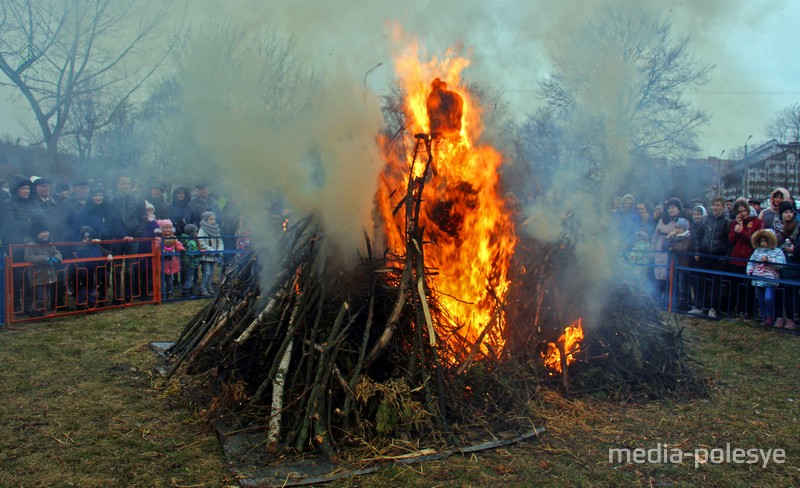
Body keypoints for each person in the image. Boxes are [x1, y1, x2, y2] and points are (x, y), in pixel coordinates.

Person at [689, 197, 730, 318]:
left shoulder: (727, 222)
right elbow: (699, 236)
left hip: (718, 257)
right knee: (700, 283)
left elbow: (728, 241)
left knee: (715, 285)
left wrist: (724, 255)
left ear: (723, 206)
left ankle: (713, 309)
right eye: (713, 205)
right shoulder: (706, 219)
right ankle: (699, 307)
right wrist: (697, 251)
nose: (715, 207)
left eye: (717, 205)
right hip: (704, 255)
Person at [0, 179, 35, 313]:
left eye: (28, 188)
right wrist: (29, 224)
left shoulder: (31, 204)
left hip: (29, 245)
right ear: (16, 190)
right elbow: (10, 224)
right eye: (24, 188)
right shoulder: (7, 204)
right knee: (17, 277)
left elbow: (37, 220)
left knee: (29, 275)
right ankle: (15, 306)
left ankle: (27, 305)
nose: (27, 191)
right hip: (15, 245)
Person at [728, 197, 764, 318]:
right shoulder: (734, 223)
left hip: (749, 260)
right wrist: (737, 227)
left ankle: (749, 311)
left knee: (748, 289)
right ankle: (738, 310)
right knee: (736, 288)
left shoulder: (757, 222)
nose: (742, 214)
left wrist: (742, 231)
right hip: (735, 259)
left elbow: (754, 241)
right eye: (739, 211)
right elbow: (731, 240)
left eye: (744, 211)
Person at [746, 229, 785, 327]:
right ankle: (764, 318)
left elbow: (782, 264)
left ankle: (770, 316)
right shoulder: (756, 251)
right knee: (760, 298)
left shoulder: (778, 251)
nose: (763, 243)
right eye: (761, 241)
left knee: (768, 298)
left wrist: (769, 260)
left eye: (765, 241)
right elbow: (751, 262)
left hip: (770, 279)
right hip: (757, 278)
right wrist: (750, 270)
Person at [23, 220, 62, 317]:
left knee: (47, 296)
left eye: (47, 231)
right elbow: (29, 257)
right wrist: (45, 259)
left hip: (49, 275)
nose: (46, 234)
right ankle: (33, 310)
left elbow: (57, 252)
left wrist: (56, 258)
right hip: (38, 275)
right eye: (42, 232)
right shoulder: (31, 245)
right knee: (42, 297)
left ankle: (41, 311)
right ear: (36, 233)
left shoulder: (49, 243)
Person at [71, 226, 112, 310]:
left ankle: (91, 305)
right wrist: (87, 244)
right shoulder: (79, 246)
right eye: (85, 238)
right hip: (83, 273)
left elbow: (106, 252)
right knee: (83, 290)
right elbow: (79, 252)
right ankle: (80, 305)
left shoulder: (97, 246)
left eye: (89, 237)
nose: (87, 239)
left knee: (92, 290)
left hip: (95, 272)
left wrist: (109, 255)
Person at [651, 197, 682, 304]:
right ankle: (658, 300)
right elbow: (655, 236)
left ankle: (670, 301)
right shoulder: (662, 220)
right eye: (669, 208)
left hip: (672, 251)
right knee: (659, 275)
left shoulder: (681, 221)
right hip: (660, 250)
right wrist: (653, 250)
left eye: (673, 208)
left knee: (670, 276)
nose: (671, 210)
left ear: (678, 209)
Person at [774, 201, 799, 330]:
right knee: (778, 291)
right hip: (778, 262)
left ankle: (790, 319)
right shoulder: (777, 229)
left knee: (790, 292)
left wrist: (793, 250)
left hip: (792, 263)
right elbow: (772, 243)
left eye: (790, 212)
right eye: (785, 212)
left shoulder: (797, 228)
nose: (788, 215)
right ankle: (779, 316)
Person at [663, 218, 693, 311]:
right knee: (673, 283)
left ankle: (683, 304)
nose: (677, 230)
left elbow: (683, 249)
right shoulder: (673, 236)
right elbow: (664, 247)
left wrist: (672, 248)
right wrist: (668, 236)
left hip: (683, 264)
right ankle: (673, 303)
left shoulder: (688, 237)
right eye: (676, 228)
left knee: (682, 285)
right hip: (673, 263)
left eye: (679, 228)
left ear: (684, 229)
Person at [197, 211, 224, 296]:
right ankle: (203, 289)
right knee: (207, 272)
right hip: (206, 255)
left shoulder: (216, 229)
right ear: (206, 220)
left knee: (211, 272)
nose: (213, 221)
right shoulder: (202, 229)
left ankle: (210, 287)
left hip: (214, 255)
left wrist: (219, 250)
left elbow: (220, 241)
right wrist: (211, 250)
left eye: (214, 219)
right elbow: (201, 242)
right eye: (210, 219)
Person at [157, 219, 185, 299]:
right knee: (162, 280)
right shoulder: (159, 238)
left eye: (169, 227)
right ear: (161, 229)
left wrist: (181, 249)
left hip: (171, 261)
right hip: (162, 262)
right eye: (166, 228)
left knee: (169, 279)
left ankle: (170, 292)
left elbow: (178, 244)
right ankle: (162, 293)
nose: (168, 229)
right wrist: (161, 254)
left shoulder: (173, 237)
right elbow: (156, 247)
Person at [179, 223, 200, 296]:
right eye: (196, 232)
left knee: (188, 277)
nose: (197, 233)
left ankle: (189, 290)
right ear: (192, 232)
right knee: (190, 278)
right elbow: (192, 254)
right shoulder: (192, 242)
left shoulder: (185, 240)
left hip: (187, 262)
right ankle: (186, 291)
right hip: (191, 263)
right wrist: (200, 253)